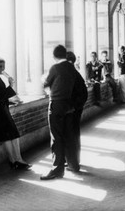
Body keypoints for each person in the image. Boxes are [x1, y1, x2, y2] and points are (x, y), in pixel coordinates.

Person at [41, 45, 86, 179]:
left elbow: (46, 83)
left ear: (54, 56)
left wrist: (49, 89)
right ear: (65, 55)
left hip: (56, 105)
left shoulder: (55, 68)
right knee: (69, 136)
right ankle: (73, 164)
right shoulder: (72, 68)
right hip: (69, 106)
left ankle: (57, 169)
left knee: (56, 137)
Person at [0, 58, 31, 170]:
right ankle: (17, 160)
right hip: (0, 112)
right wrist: (11, 85)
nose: (3, 69)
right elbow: (1, 96)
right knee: (12, 134)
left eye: (3, 66)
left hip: (1, 110)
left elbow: (0, 96)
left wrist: (11, 100)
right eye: (0, 66)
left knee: (9, 136)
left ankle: (14, 160)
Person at [66, 50, 88, 172]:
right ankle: (71, 161)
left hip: (73, 111)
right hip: (74, 110)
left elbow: (83, 95)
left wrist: (74, 107)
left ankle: (73, 163)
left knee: (72, 136)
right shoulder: (73, 74)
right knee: (72, 135)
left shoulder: (73, 75)